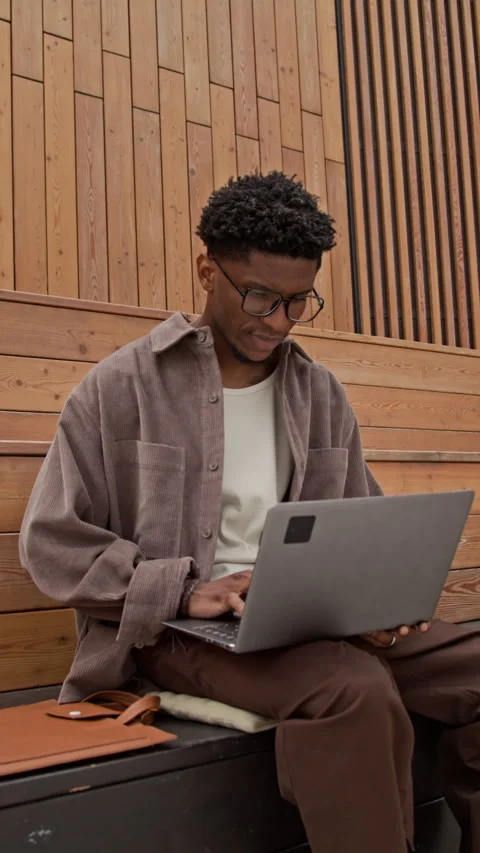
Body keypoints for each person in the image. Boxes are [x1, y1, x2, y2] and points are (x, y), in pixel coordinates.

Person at [20, 172, 480, 853]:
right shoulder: (121, 387)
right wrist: (182, 588)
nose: (278, 322)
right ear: (208, 269)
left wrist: (384, 595)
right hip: (180, 636)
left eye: (299, 302)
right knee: (353, 691)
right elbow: (50, 542)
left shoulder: (319, 392)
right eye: (261, 296)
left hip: (319, 619)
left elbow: (363, 516)